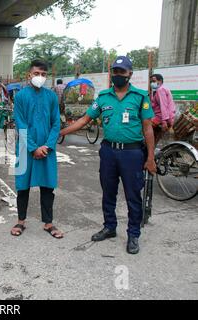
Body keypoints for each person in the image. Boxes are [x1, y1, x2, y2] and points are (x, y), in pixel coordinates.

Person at [60, 56, 156, 255]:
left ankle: (133, 234)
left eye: (122, 72)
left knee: (133, 196)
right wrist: (61, 132)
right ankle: (110, 227)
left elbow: (148, 129)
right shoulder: (103, 97)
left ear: (130, 74)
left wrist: (150, 158)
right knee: (108, 192)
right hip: (109, 152)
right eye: (115, 71)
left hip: (132, 153)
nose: (118, 75)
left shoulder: (140, 97)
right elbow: (85, 119)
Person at [10, 60, 63, 239]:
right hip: (25, 148)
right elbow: (20, 124)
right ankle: (20, 221)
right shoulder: (20, 96)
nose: (40, 77)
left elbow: (56, 123)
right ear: (29, 75)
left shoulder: (51, 97)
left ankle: (48, 223)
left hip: (47, 149)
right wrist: (33, 148)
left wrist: (47, 146)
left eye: (43, 74)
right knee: (22, 186)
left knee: (48, 186)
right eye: (37, 73)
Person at [150, 74, 176, 145]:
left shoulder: (161, 90)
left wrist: (164, 121)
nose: (152, 83)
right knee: (154, 137)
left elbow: (163, 105)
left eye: (154, 81)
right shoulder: (161, 89)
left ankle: (150, 150)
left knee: (145, 126)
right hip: (164, 117)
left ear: (160, 81)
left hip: (162, 118)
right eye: (151, 81)